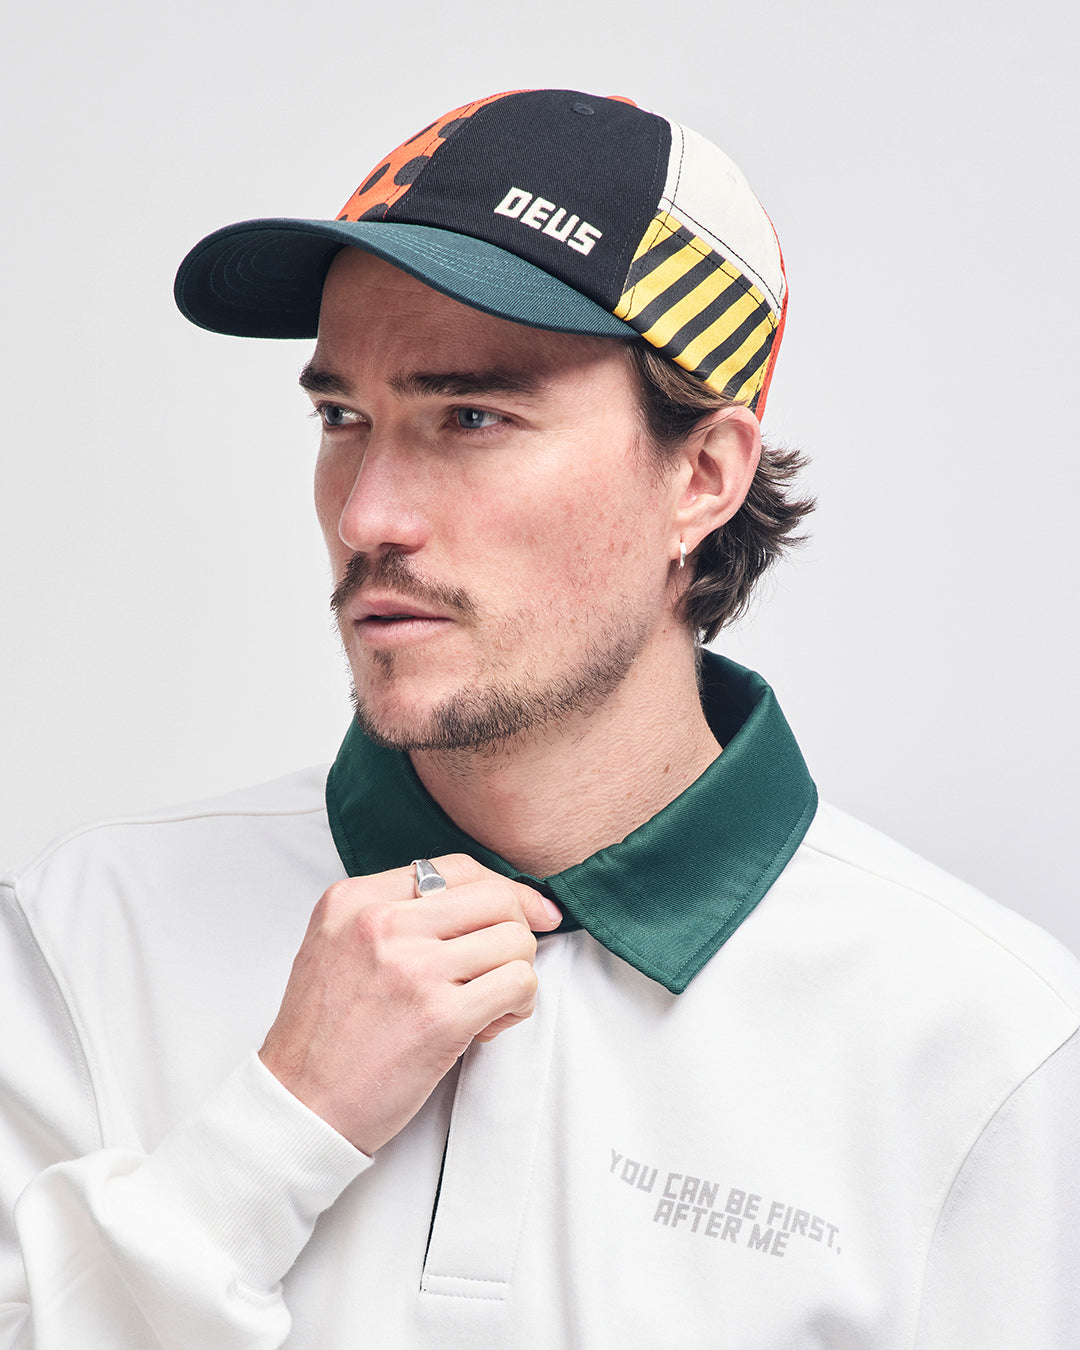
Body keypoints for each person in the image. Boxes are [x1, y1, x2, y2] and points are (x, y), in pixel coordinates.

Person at [1, 87, 1077, 1350]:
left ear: (702, 476)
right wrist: (275, 1130)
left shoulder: (986, 1046)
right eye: (342, 418)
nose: (368, 516)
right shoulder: (89, 934)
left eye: (473, 417)